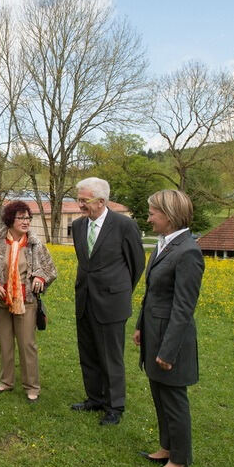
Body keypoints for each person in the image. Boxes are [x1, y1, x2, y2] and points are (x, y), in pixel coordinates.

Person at [133, 189, 204, 467]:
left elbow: (183, 308)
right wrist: (140, 325)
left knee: (173, 399)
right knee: (159, 394)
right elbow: (152, 293)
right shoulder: (164, 245)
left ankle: (179, 459)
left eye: (153, 213)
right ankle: (166, 447)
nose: (149, 218)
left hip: (170, 339)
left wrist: (167, 350)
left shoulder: (188, 252)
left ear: (170, 215)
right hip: (153, 332)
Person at [70, 177, 145, 425]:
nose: (79, 205)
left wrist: (119, 291)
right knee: (88, 351)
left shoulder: (124, 226)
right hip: (85, 299)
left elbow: (136, 265)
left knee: (111, 356)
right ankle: (95, 398)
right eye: (78, 199)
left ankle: (115, 406)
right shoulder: (79, 226)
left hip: (112, 302)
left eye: (84, 200)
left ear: (101, 201)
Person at [0, 201, 57, 403]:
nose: (26, 221)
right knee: (5, 343)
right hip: (0, 302)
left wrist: (40, 277)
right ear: (10, 219)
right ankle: (6, 382)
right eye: (21, 218)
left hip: (26, 302)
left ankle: (32, 387)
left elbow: (50, 269)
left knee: (27, 344)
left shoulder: (35, 244)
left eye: (28, 218)